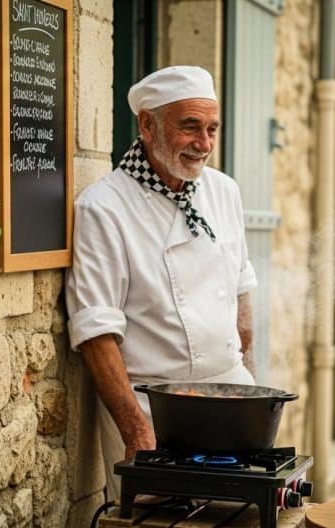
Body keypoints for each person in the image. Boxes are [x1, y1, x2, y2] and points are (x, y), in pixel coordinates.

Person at [65, 66, 258, 499]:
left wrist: (252, 390)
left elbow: (241, 293)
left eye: (211, 129)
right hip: (153, 410)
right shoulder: (105, 207)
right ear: (147, 125)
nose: (204, 144)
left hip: (230, 397)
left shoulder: (224, 192)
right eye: (189, 127)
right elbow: (96, 332)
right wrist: (136, 430)